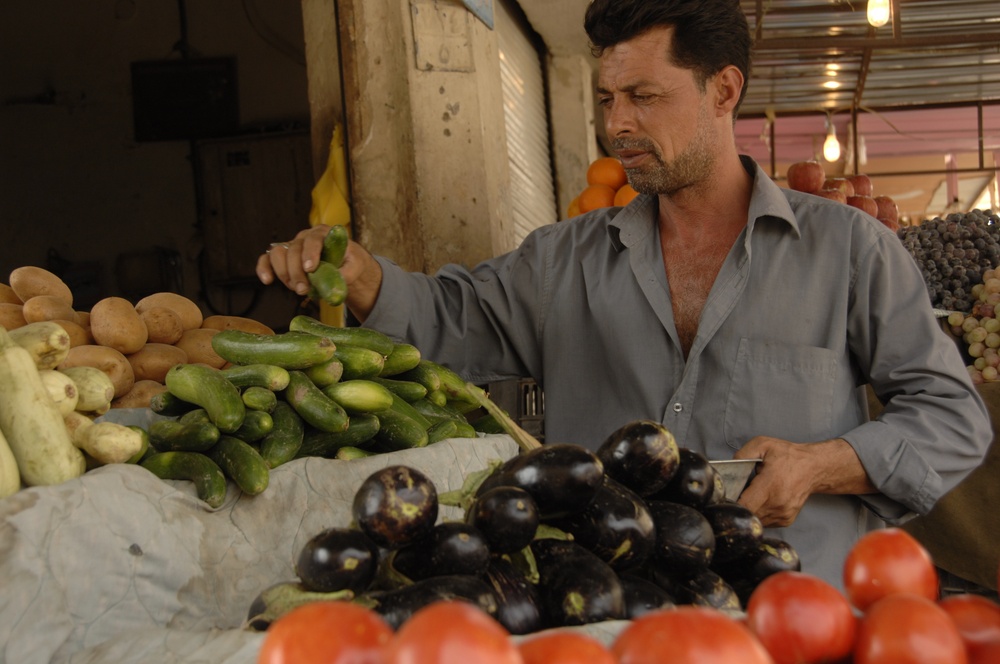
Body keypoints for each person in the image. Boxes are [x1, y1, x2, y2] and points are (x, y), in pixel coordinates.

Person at [257, 0, 992, 590]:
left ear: (724, 90)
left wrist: (821, 462)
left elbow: (954, 418)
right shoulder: (560, 260)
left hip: (796, 609)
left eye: (644, 97)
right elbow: (448, 318)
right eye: (608, 98)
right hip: (610, 609)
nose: (617, 126)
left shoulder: (849, 250)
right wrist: (360, 277)